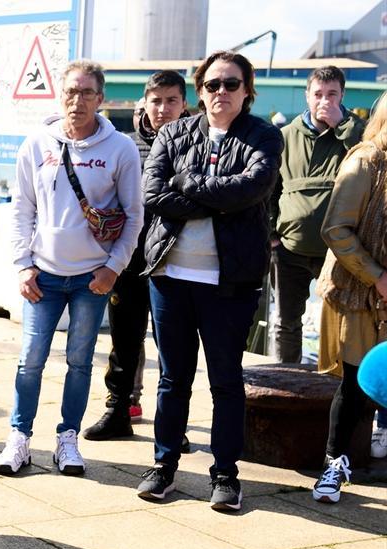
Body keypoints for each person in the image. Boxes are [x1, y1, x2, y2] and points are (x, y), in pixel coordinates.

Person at [139, 51, 283, 510]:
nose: (222, 92)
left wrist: (188, 181)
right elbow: (153, 194)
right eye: (213, 84)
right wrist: (213, 197)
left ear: (247, 90)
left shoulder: (264, 136)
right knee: (171, 379)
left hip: (230, 282)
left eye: (232, 84)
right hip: (170, 275)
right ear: (200, 90)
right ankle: (163, 466)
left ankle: (225, 474)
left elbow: (251, 188)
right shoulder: (174, 132)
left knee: (225, 380)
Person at [0, 61, 143, 477]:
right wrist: (23, 265)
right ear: (58, 95)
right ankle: (19, 438)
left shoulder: (120, 149)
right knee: (30, 360)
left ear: (101, 99)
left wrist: (113, 268)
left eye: (86, 93)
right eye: (70, 92)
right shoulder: (37, 143)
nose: (76, 101)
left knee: (79, 362)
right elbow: (21, 210)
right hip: (42, 274)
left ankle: (67, 439)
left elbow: (134, 216)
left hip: (90, 278)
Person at [84, 70, 189, 441]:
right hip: (127, 257)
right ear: (144, 102)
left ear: (184, 104)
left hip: (174, 259)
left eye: (171, 100)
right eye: (156, 100)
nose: (162, 109)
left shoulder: (195, 143)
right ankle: (117, 410)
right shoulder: (124, 144)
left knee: (172, 345)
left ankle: (173, 422)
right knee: (124, 340)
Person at [312, 92, 387, 503]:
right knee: (358, 386)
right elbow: (336, 229)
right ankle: (333, 466)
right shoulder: (365, 162)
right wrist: (376, 276)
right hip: (360, 294)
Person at [270, 66, 365, 364]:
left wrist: (343, 126)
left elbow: (372, 160)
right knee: (286, 322)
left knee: (340, 323)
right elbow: (270, 189)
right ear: (306, 96)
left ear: (342, 96)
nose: (324, 101)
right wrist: (271, 233)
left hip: (339, 252)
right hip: (290, 248)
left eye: (332, 94)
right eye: (318, 94)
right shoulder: (285, 136)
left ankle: (333, 389)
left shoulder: (359, 132)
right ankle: (287, 382)